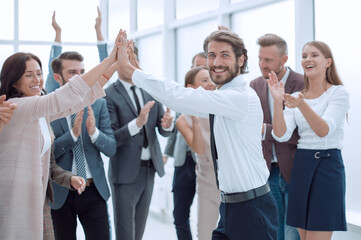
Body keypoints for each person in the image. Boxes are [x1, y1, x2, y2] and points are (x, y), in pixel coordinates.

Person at [115, 30, 278, 239]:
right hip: (230, 209)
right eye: (211, 55)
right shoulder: (223, 98)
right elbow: (178, 97)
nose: (216, 62)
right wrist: (136, 70)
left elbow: (179, 97)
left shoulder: (239, 98)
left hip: (252, 210)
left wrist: (132, 72)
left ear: (241, 59)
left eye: (225, 55)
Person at [0, 30, 123, 239]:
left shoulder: (39, 113)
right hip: (15, 198)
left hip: (37, 198)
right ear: (13, 82)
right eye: (28, 75)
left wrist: (117, 64)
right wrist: (110, 58)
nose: (37, 80)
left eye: (39, 73)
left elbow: (81, 97)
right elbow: (66, 96)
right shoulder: (17, 107)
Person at [268, 41, 349, 240]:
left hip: (327, 166)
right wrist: (278, 102)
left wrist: (302, 105)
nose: (308, 59)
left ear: (328, 62)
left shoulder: (338, 93)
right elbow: (281, 135)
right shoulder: (296, 96)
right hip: (302, 166)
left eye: (314, 55)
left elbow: (324, 130)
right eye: (304, 56)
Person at [104, 40, 174, 240]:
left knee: (139, 232)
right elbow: (111, 138)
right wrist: (137, 123)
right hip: (124, 173)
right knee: (125, 233)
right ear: (116, 64)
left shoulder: (150, 89)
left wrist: (168, 124)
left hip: (149, 170)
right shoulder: (108, 95)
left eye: (132, 59)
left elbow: (163, 129)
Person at [49, 50, 116, 240]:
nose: (81, 77)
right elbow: (46, 154)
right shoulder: (49, 106)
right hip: (61, 192)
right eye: (72, 72)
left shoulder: (98, 104)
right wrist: (72, 135)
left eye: (82, 71)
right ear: (57, 77)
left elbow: (111, 148)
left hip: (93, 189)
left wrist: (94, 132)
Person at [250, 33, 303, 240]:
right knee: (274, 229)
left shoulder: (301, 84)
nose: (262, 64)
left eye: (268, 60)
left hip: (295, 168)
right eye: (260, 59)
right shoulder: (255, 85)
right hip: (268, 170)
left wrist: (265, 130)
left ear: (284, 59)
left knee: (293, 232)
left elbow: (301, 131)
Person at [162, 52, 207, 240]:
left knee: (207, 216)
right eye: (195, 65)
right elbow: (175, 130)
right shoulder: (182, 96)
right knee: (180, 215)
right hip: (183, 162)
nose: (197, 69)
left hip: (205, 164)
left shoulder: (215, 99)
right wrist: (166, 153)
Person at [175, 66, 220, 240]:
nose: (211, 84)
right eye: (204, 80)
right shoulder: (182, 120)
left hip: (229, 181)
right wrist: (195, 119)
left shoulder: (221, 108)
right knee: (205, 234)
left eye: (211, 79)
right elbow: (199, 150)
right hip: (207, 181)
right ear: (190, 88)